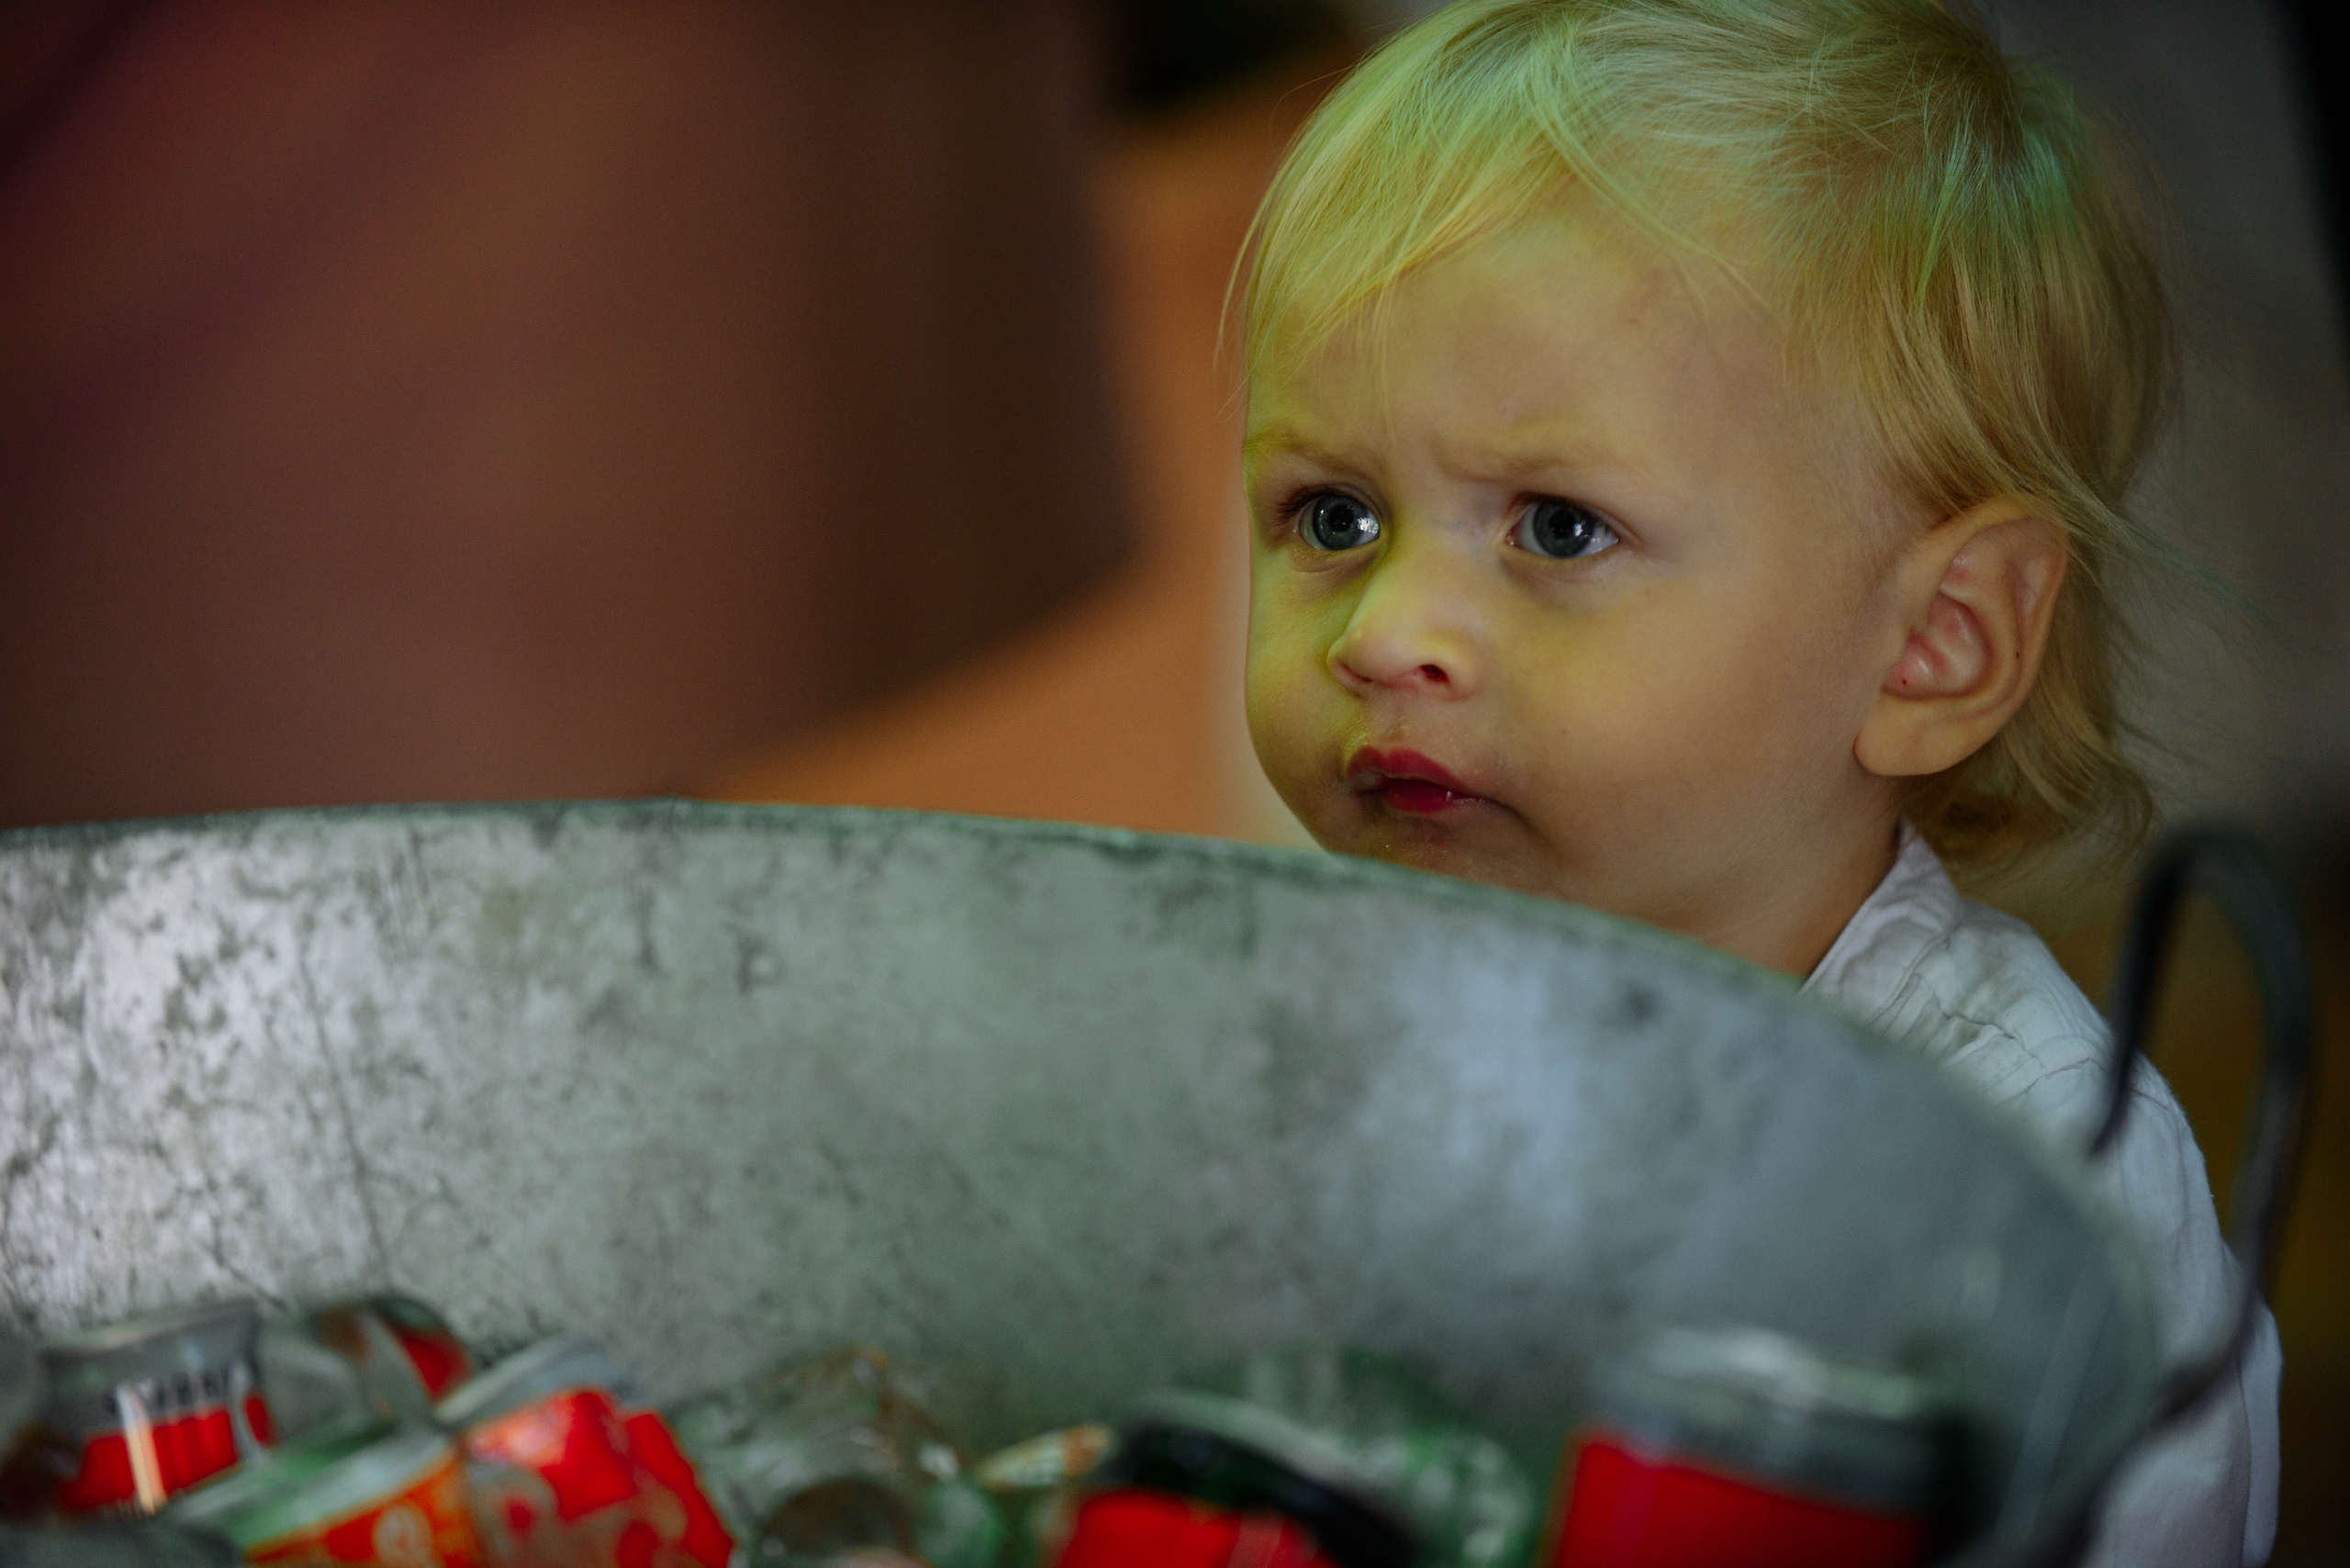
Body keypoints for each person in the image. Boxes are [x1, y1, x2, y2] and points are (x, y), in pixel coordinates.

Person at [1231, 0, 2279, 1561]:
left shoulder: (2024, 1177)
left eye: (1559, 528)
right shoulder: (1290, 1030)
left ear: (1931, 644)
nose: (1386, 636)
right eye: (1332, 519)